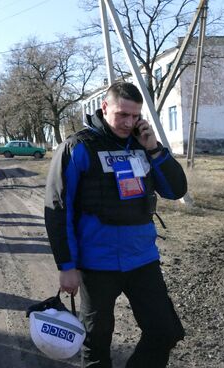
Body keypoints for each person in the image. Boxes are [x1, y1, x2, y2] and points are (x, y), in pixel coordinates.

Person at [44, 82, 188, 368]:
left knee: (165, 331)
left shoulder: (143, 145)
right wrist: (66, 265)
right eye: (122, 114)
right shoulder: (79, 147)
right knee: (95, 345)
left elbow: (175, 190)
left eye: (135, 116)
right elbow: (59, 209)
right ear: (105, 107)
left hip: (142, 260)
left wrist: (155, 149)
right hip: (97, 264)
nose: (129, 122)